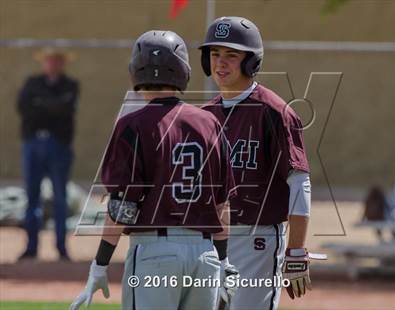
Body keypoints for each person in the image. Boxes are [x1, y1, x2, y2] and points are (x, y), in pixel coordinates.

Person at [70, 30, 238, 310]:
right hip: (205, 255)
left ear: (136, 70)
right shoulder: (210, 123)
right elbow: (222, 204)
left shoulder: (132, 124)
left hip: (155, 252)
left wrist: (100, 264)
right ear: (182, 70)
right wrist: (223, 260)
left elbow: (124, 206)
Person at [199, 16, 315, 309]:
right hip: (208, 240)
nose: (220, 63)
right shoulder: (202, 117)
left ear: (251, 62)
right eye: (214, 54)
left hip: (257, 240)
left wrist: (297, 250)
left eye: (231, 55)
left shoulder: (274, 112)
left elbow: (299, 181)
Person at [16, 47, 79, 260]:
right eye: (49, 60)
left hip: (58, 145)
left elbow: (64, 110)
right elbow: (24, 107)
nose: (52, 64)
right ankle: (31, 247)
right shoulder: (32, 83)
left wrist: (41, 104)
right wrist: (50, 106)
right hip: (33, 143)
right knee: (32, 197)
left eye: (56, 61)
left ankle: (61, 248)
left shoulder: (70, 85)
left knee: (60, 197)